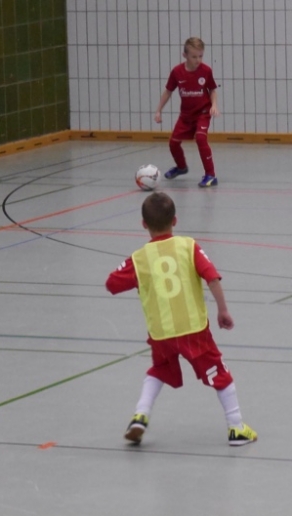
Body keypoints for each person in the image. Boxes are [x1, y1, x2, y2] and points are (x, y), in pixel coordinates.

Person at [106, 191, 256, 446]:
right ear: (175, 221)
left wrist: (140, 277)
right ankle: (236, 428)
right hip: (193, 330)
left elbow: (112, 284)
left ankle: (141, 414)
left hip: (161, 332)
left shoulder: (139, 258)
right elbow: (212, 277)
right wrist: (223, 310)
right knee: (219, 373)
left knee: (159, 370)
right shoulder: (188, 246)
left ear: (144, 224)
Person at [154, 36, 220, 188]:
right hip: (186, 115)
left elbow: (212, 90)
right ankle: (181, 167)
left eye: (201, 56)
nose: (198, 60)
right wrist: (158, 110)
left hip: (203, 112)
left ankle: (210, 175)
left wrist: (214, 105)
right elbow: (168, 92)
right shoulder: (177, 72)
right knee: (173, 143)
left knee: (201, 138)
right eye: (194, 57)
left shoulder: (206, 71)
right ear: (185, 55)